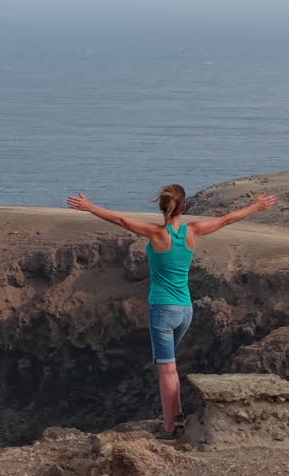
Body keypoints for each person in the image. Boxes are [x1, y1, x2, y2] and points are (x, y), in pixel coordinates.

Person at [65, 184, 277, 438]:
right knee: (171, 366)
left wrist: (90, 207)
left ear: (162, 207)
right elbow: (226, 219)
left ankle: (169, 428)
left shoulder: (156, 234)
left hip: (163, 311)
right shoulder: (194, 231)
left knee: (166, 369)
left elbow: (121, 219)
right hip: (186, 310)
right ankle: (176, 419)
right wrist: (256, 206)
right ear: (184, 206)